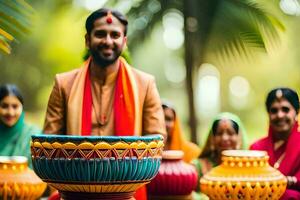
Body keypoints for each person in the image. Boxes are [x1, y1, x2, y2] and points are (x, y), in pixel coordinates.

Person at [43, 8, 166, 200]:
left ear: (124, 42)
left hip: (127, 190)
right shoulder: (64, 84)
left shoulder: (145, 84)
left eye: (115, 35)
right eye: (100, 34)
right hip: (75, 188)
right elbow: (49, 145)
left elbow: (156, 143)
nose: (108, 41)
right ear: (87, 40)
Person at [250, 88, 300, 199]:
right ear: (268, 114)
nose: (280, 115)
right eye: (274, 110)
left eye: (285, 109)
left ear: (296, 112)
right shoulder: (256, 148)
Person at [192, 112, 247, 199]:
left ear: (239, 138)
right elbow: (186, 195)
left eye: (230, 133)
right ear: (212, 138)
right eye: (219, 133)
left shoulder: (249, 168)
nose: (224, 138)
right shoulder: (198, 167)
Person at [0, 84, 41, 167]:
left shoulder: (34, 136)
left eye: (15, 107)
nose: (10, 112)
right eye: (4, 106)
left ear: (22, 107)